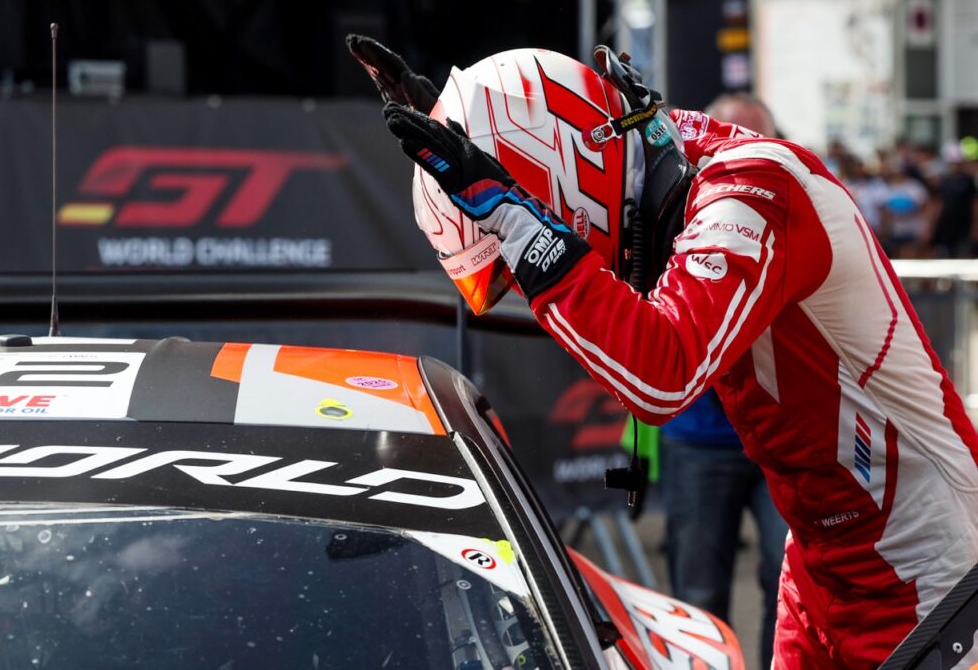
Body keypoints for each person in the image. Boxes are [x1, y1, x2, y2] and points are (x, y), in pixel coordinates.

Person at [348, 37, 978, 668]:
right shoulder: (664, 167)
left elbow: (660, 376)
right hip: (825, 551)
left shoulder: (754, 185)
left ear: (564, 182)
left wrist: (516, 219)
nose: (521, 276)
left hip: (925, 558)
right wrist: (472, 137)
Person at [655, 91, 788, 670]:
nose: (734, 155)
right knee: (699, 598)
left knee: (790, 592)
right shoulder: (666, 219)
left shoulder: (791, 213)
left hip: (784, 440)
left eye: (751, 143)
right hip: (700, 440)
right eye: (721, 140)